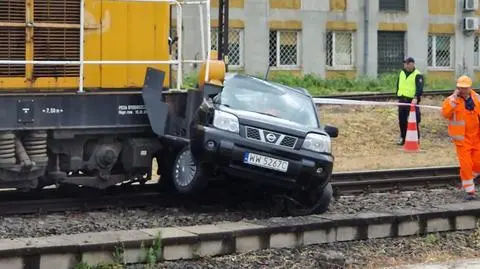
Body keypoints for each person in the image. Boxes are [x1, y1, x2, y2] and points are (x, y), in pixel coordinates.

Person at [441, 75, 480, 200]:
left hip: (477, 137)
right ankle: (470, 190)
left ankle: (467, 178)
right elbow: (445, 114)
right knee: (466, 165)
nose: (462, 90)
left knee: (478, 163)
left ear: (470, 88)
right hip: (462, 140)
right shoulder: (451, 100)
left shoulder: (477, 98)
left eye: (465, 88)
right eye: (460, 88)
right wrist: (453, 100)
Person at [396, 57, 424, 145]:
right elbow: (398, 84)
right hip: (402, 99)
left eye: (408, 63)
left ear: (412, 64)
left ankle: (416, 138)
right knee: (402, 120)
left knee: (414, 120)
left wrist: (416, 97)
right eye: (405, 63)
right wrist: (397, 94)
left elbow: (420, 88)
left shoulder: (417, 74)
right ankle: (403, 137)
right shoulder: (402, 72)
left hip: (411, 101)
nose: (406, 65)